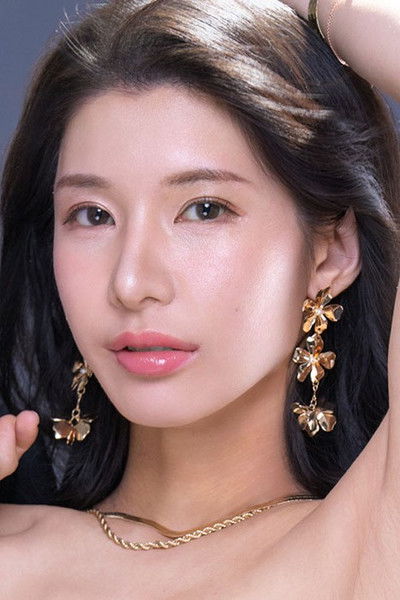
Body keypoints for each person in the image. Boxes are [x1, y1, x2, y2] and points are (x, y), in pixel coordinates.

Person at [0, 0, 399, 596]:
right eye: (93, 215)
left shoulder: (375, 543)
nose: (131, 283)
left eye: (205, 209)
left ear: (330, 251)